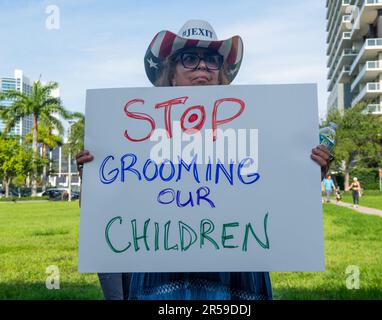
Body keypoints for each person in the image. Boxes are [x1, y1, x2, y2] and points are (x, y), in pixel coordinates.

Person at [75, 20, 333, 300]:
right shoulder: (138, 130)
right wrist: (94, 176)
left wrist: (306, 173)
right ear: (171, 73)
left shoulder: (257, 127)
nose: (202, 67)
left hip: (236, 272)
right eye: (189, 58)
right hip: (161, 271)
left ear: (220, 74)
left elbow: (275, 190)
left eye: (211, 60)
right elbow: (117, 204)